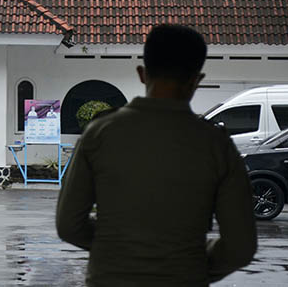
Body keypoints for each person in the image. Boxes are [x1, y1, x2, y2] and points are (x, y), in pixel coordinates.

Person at [56, 24, 257, 286]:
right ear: (197, 79)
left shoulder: (101, 133)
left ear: (142, 73)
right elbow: (241, 246)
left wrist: (117, 250)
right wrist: (192, 266)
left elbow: (69, 225)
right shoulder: (216, 145)